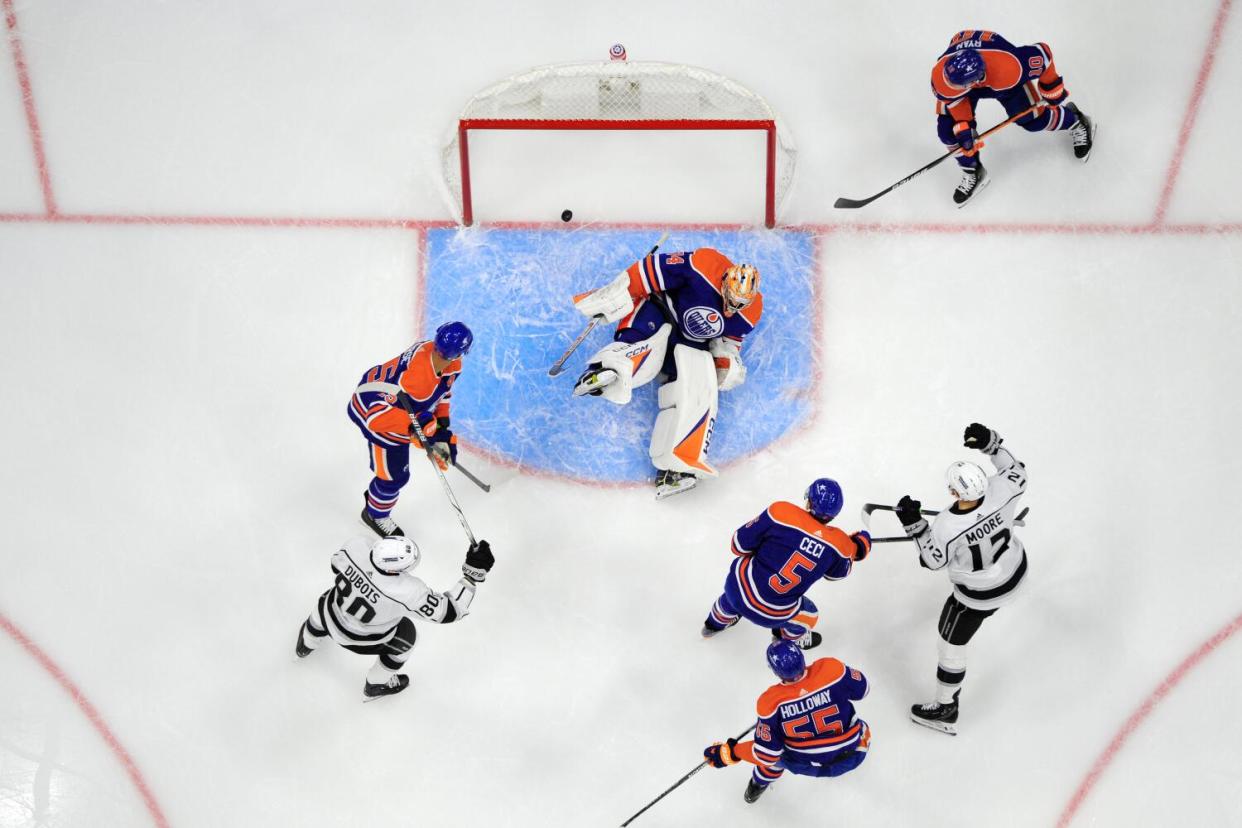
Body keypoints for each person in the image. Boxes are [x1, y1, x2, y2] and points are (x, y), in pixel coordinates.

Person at [570, 248, 761, 499]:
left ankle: (677, 467)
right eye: (731, 298)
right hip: (658, 311)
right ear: (725, 281)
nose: (731, 307)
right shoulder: (702, 264)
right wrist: (617, 294)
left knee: (701, 388)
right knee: (645, 343)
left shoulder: (752, 312)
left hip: (690, 343)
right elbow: (649, 272)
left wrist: (726, 362)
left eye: (740, 304)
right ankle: (606, 370)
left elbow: (729, 341)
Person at [896, 422, 1028, 734]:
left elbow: (933, 559)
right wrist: (990, 444)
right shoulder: (1004, 489)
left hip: (981, 593)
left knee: (949, 644)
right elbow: (1017, 469)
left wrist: (914, 524)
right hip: (1017, 570)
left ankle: (945, 706)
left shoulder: (945, 526)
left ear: (956, 492)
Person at [294, 534, 494, 700]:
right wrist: (471, 576)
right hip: (361, 640)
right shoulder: (408, 591)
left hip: (330, 613)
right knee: (406, 635)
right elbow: (449, 612)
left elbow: (335, 566)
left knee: (324, 604)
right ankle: (376, 684)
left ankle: (306, 643)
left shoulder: (357, 545)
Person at [931, 30, 1096, 205]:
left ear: (976, 79)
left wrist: (1051, 87)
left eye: (958, 85)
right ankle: (973, 171)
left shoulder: (1009, 67)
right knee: (947, 131)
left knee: (1034, 121)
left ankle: (1076, 121)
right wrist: (964, 129)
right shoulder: (942, 78)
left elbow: (1043, 53)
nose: (951, 87)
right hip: (972, 80)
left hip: (999, 76)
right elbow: (954, 98)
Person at [700, 479, 871, 649]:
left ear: (809, 501)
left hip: (736, 589)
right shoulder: (840, 544)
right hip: (774, 614)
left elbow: (738, 545)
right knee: (810, 615)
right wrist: (859, 546)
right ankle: (784, 640)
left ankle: (713, 625)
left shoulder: (781, 512)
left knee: (737, 592)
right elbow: (835, 574)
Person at [703, 640, 872, 803]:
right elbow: (863, 690)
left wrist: (730, 753)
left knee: (776, 757)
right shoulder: (831, 668)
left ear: (775, 671)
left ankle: (758, 784)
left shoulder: (770, 703)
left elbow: (765, 756)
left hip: (810, 766)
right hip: (855, 753)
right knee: (855, 723)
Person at [348, 321, 473, 537]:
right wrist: (417, 428)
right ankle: (374, 514)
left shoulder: (450, 363)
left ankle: (377, 497)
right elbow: (375, 418)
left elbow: (443, 394)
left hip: (397, 408)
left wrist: (442, 430)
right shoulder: (417, 380)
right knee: (394, 478)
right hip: (376, 413)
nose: (441, 359)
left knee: (395, 475)